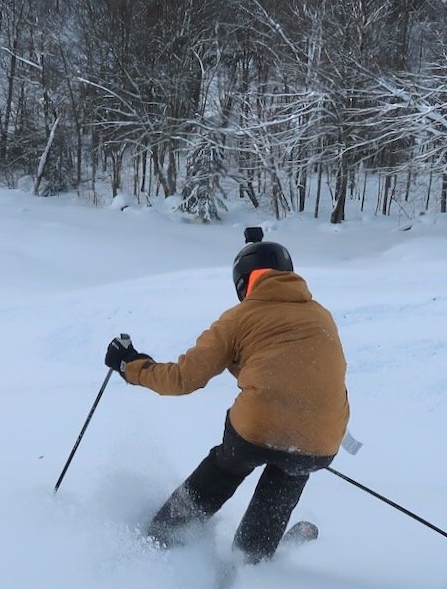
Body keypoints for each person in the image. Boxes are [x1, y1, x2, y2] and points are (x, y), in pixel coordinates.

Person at [105, 228, 349, 563]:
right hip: (322, 439)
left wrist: (130, 365)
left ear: (243, 281)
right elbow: (310, 373)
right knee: (290, 471)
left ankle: (164, 537)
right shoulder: (321, 315)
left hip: (258, 428)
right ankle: (252, 557)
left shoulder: (239, 318)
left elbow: (183, 379)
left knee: (227, 464)